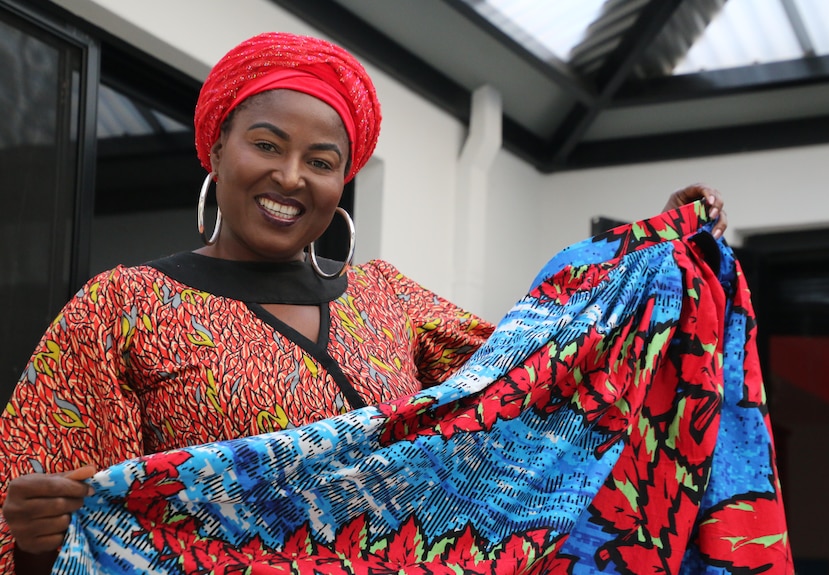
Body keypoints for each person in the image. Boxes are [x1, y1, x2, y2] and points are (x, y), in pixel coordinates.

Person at [0, 32, 726, 574]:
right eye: (266, 145)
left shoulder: (387, 298)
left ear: (343, 183)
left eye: (322, 162)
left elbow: (541, 372)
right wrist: (37, 538)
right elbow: (53, 534)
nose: (291, 177)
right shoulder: (126, 307)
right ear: (216, 149)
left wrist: (654, 256)